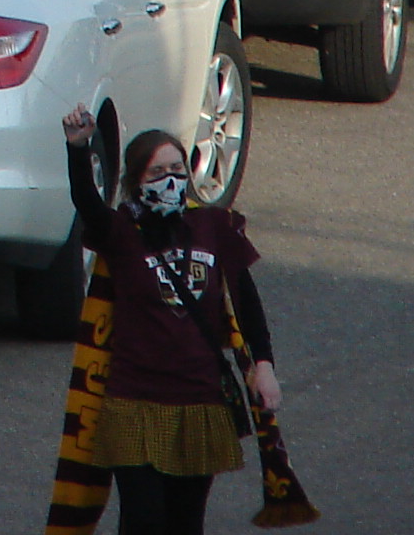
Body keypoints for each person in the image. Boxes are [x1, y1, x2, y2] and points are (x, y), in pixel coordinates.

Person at [62, 108, 284, 535]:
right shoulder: (121, 231)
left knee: (185, 523)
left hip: (199, 402)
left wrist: (264, 366)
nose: (169, 180)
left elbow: (246, 302)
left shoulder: (214, 226)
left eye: (177, 169)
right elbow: (87, 202)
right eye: (157, 172)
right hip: (134, 402)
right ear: (136, 181)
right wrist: (78, 148)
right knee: (143, 521)